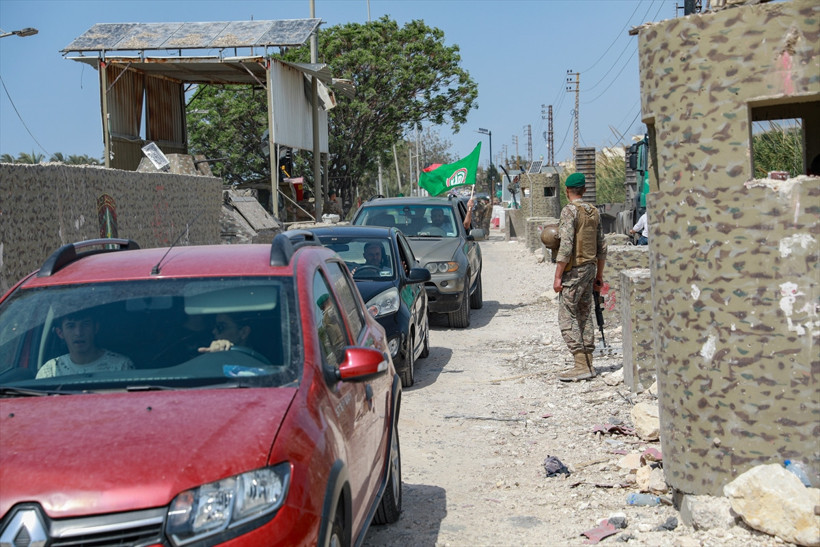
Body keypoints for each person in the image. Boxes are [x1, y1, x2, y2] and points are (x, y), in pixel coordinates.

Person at [553, 172, 607, 382]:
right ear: (584, 190)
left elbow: (566, 247)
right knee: (584, 314)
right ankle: (588, 364)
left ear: (567, 191)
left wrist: (558, 277)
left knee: (567, 314)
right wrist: (599, 275)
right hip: (590, 268)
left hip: (574, 271)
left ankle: (580, 365)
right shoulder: (594, 211)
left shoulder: (569, 211)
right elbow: (602, 246)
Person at [36, 310, 134, 379]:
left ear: (95, 328)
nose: (79, 333)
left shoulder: (121, 366)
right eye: (71, 326)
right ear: (60, 333)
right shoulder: (50, 372)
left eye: (85, 324)